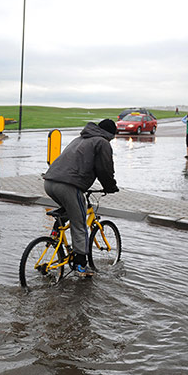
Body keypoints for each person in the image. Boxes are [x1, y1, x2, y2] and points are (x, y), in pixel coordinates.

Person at [42, 119, 119, 277]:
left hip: (49, 183)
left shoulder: (80, 139)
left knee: (71, 209)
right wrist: (110, 187)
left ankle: (56, 232)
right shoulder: (102, 142)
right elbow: (104, 169)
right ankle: (81, 265)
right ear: (110, 135)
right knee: (80, 224)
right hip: (69, 185)